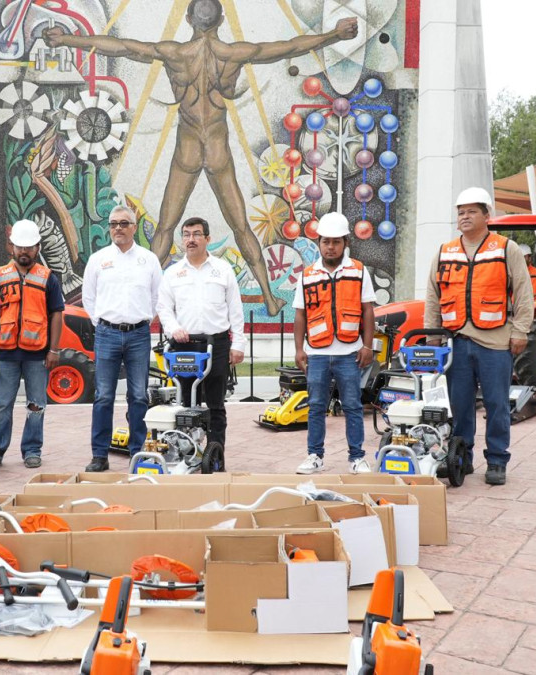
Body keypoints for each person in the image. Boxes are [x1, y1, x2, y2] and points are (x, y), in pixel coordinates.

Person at [44, 2, 358, 316]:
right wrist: (334, 35)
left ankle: (145, 299)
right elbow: (288, 47)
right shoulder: (234, 53)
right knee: (241, 227)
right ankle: (270, 298)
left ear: (188, 18)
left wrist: (67, 40)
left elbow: (121, 47)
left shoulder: (175, 53)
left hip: (188, 147)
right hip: (218, 147)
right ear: (222, 18)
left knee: (166, 228)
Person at [424, 187, 534, 486]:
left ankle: (497, 461)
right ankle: (462, 458)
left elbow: (524, 292)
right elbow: (433, 296)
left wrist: (521, 330)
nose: (465, 216)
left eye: (472, 211)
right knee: (460, 407)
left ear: (487, 216)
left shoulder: (505, 248)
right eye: (461, 212)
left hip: (496, 343)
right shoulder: (445, 251)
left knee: (497, 404)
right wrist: (432, 334)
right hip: (457, 341)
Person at [292, 213, 376, 475]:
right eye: (326, 242)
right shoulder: (307, 276)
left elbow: (368, 311)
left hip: (349, 352)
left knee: (352, 405)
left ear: (346, 242)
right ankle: (314, 456)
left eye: (336, 242)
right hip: (316, 353)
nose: (330, 247)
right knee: (316, 406)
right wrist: (298, 350)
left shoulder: (359, 271)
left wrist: (367, 346)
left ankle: (357, 457)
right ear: (319, 243)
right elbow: (300, 314)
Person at [0, 220, 65, 469]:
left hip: (37, 354)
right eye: (19, 247)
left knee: (36, 405)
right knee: (2, 405)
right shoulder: (0, 276)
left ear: (37, 248)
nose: (23, 252)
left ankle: (32, 449)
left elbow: (56, 314)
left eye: (28, 247)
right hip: (6, 352)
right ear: (12, 247)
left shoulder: (48, 279)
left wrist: (54, 349)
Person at [156, 216, 246, 461]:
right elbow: (164, 308)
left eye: (196, 234)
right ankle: (186, 453)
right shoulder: (173, 273)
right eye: (186, 234)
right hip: (184, 347)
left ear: (207, 239)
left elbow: (235, 309)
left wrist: (238, 344)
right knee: (184, 404)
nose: (191, 239)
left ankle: (215, 456)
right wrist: (173, 328)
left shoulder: (222, 270)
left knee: (216, 405)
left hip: (215, 345)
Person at [82, 205, 162, 472]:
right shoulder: (98, 259)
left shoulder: (149, 260)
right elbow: (89, 298)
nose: (118, 228)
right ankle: (99, 455)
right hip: (106, 334)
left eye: (124, 223)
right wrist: (101, 323)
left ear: (134, 227)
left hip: (139, 334)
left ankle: (137, 453)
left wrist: (143, 320)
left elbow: (156, 297)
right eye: (114, 223)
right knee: (103, 396)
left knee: (138, 396)